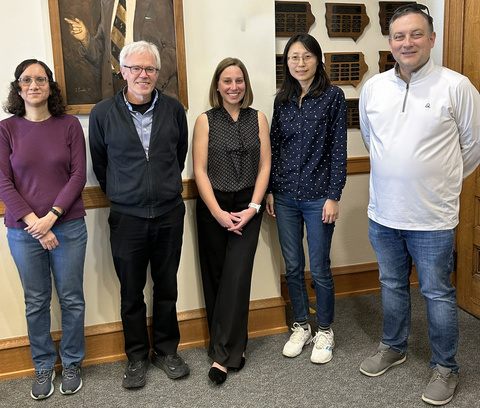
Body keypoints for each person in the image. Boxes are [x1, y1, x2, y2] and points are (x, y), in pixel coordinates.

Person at [358, 4, 480, 406]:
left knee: (437, 293)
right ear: (390, 42)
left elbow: (473, 147)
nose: (406, 42)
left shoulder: (456, 86)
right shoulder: (374, 88)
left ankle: (446, 368)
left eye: (415, 34)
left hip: (433, 217)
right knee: (391, 285)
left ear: (432, 38)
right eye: (398, 36)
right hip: (384, 214)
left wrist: (438, 183)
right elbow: (372, 141)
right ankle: (394, 347)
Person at [89, 40, 189, 389]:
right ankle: (136, 356)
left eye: (149, 69)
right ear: (122, 71)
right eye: (135, 68)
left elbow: (179, 154)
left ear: (158, 74)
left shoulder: (175, 110)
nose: (142, 74)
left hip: (168, 213)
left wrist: (161, 188)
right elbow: (101, 165)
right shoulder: (102, 113)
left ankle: (165, 350)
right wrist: (124, 193)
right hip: (127, 217)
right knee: (131, 292)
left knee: (167, 287)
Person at [0, 60, 87, 399]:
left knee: (71, 299)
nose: (33, 85)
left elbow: (78, 176)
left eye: (40, 79)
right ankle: (42, 365)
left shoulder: (69, 126)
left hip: (68, 227)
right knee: (36, 301)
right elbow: (3, 182)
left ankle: (72, 362)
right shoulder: (6, 130)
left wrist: (51, 217)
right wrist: (35, 223)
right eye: (26, 79)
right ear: (18, 87)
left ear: (50, 86)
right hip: (24, 231)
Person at [266, 34, 347, 364]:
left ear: (318, 59)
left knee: (320, 267)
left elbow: (339, 150)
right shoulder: (281, 100)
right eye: (293, 58)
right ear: (286, 63)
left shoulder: (333, 97)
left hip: (318, 198)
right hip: (284, 196)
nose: (300, 63)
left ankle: (325, 329)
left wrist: (334, 196)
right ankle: (302, 325)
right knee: (294, 266)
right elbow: (273, 147)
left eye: (306, 57)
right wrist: (270, 189)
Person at [193, 58, 270, 385]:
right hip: (214, 207)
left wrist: (253, 207)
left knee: (237, 277)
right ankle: (227, 348)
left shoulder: (259, 118)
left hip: (247, 206)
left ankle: (222, 357)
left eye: (239, 80)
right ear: (217, 85)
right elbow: (199, 170)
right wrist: (217, 213)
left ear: (245, 84)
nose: (234, 86)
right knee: (216, 277)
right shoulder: (205, 120)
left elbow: (265, 164)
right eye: (227, 81)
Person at [64, 0, 177, 99]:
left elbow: (172, 47)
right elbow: (101, 55)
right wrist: (85, 39)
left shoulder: (159, 2)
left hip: (150, 89)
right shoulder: (107, 3)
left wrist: (152, 84)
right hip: (115, 89)